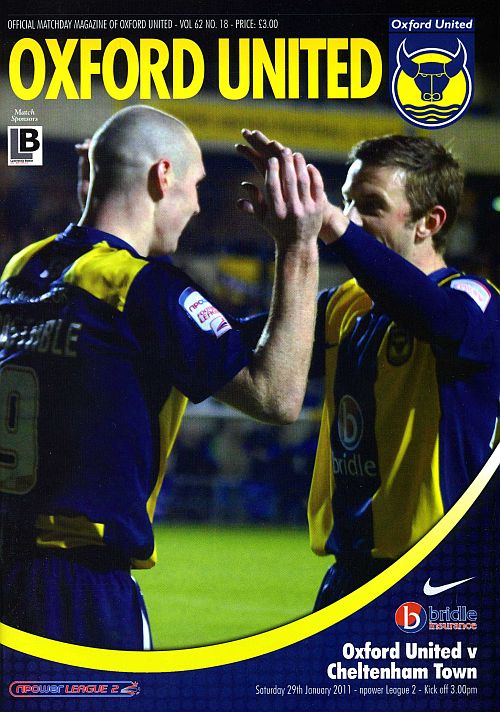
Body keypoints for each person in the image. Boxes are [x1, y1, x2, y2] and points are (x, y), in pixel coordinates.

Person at [0, 106, 326, 649]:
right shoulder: (144, 288)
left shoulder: (24, 266)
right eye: (196, 185)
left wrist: (99, 188)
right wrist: (298, 245)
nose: (197, 205)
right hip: (79, 589)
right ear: (163, 176)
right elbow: (277, 396)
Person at [238, 132, 500, 608]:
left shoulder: (475, 301)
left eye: (371, 206)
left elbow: (435, 318)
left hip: (436, 578)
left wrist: (334, 225)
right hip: (348, 573)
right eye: (346, 201)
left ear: (429, 222)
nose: (352, 217)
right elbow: (239, 344)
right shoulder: (346, 305)